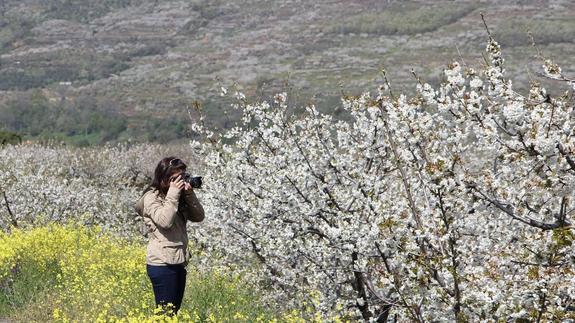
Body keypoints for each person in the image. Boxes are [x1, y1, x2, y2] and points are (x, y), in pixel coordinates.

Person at [135, 157, 205, 316]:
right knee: (165, 314)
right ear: (163, 179)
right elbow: (164, 221)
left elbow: (199, 216)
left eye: (181, 177)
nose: (178, 182)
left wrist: (188, 194)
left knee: (172, 313)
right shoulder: (151, 198)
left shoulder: (177, 196)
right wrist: (174, 193)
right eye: (174, 179)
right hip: (161, 264)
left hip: (178, 260)